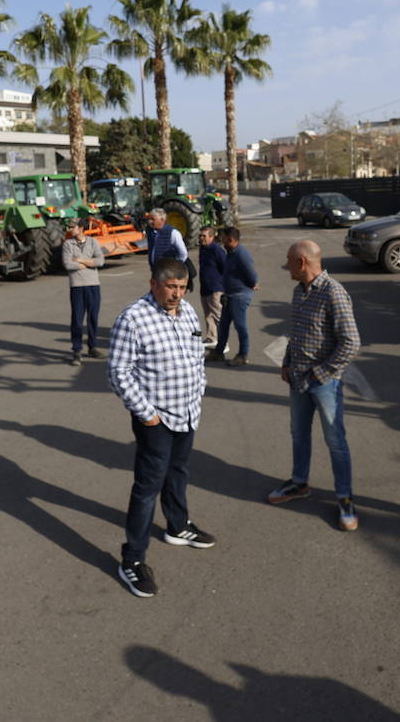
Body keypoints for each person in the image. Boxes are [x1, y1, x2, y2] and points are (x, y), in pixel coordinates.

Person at [108, 258, 214, 598]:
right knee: (148, 485)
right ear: (154, 283)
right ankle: (132, 559)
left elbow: (197, 355)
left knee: (179, 471)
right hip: (157, 417)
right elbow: (118, 372)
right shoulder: (133, 318)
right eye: (171, 287)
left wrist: (199, 390)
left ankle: (178, 525)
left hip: (187, 412)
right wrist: (146, 414)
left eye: (182, 288)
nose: (177, 294)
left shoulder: (187, 312)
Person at [269, 240, 361, 531]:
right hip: (297, 378)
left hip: (323, 383)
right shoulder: (300, 292)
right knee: (298, 433)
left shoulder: (334, 293)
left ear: (302, 262)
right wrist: (286, 362)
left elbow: (351, 343)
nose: (287, 269)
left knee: (335, 441)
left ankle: (345, 497)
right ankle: (299, 483)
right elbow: (296, 333)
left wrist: (320, 375)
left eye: (289, 262)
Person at [208, 227, 257, 367]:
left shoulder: (241, 254)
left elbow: (252, 276)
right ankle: (219, 352)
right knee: (223, 325)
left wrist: (249, 285)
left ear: (231, 239)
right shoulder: (230, 253)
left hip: (239, 296)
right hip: (229, 296)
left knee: (240, 326)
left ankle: (243, 355)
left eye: (223, 237)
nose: (221, 239)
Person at [62, 218, 105, 366]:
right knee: (77, 320)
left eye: (72, 227)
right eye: (69, 226)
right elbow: (68, 264)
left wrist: (79, 260)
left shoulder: (93, 242)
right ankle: (77, 350)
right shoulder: (68, 244)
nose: (70, 229)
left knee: (93, 318)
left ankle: (92, 347)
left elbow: (100, 261)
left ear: (81, 228)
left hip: (93, 285)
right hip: (77, 286)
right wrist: (88, 262)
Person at [197, 226, 227, 354]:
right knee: (208, 315)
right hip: (205, 287)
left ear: (212, 237)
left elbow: (225, 268)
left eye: (204, 236)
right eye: (200, 235)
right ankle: (212, 338)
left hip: (215, 289)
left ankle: (224, 343)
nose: (201, 238)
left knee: (219, 316)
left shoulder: (217, 250)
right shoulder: (203, 249)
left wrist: (224, 287)